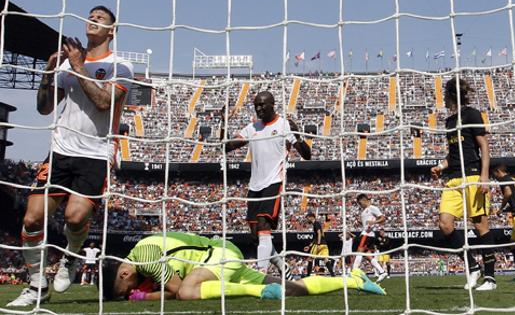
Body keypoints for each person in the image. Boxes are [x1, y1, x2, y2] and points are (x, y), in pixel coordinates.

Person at [7, 6, 134, 307]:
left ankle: (71, 257)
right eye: (90, 17)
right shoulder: (66, 64)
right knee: (32, 218)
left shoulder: (121, 66)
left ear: (111, 31)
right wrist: (48, 74)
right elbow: (44, 108)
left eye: (100, 19)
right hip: (62, 149)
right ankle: (37, 284)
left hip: (95, 153)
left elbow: (105, 103)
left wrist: (79, 66)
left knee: (75, 218)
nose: (93, 20)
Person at [102, 232, 385, 301]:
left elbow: (175, 291)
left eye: (125, 289)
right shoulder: (141, 252)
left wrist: (142, 296)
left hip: (220, 255)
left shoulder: (147, 255)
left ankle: (259, 292)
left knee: (188, 292)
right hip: (217, 263)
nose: (131, 291)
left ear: (125, 273)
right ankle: (354, 280)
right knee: (294, 290)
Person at [223, 91, 311, 280]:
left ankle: (260, 275)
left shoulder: (284, 125)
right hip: (255, 185)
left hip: (274, 182)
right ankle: (282, 265)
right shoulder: (252, 127)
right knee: (256, 235)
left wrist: (298, 135)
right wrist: (223, 124)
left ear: (272, 105)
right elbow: (227, 147)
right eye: (256, 105)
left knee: (264, 225)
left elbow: (307, 155)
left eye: (262, 105)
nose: (259, 108)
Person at [430, 77, 496, 291]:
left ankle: (490, 279)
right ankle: (473, 267)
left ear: (449, 95)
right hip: (453, 179)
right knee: (445, 224)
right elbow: (453, 154)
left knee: (480, 225)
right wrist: (441, 166)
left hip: (474, 176)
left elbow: (484, 146)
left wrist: (484, 175)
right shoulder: (449, 122)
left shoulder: (472, 114)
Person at [352, 194, 387, 283]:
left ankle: (354, 273)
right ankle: (382, 272)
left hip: (367, 234)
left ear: (364, 200)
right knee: (367, 256)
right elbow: (365, 223)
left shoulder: (372, 208)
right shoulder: (364, 211)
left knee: (359, 252)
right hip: (368, 234)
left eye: (360, 203)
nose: (359, 205)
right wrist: (358, 223)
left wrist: (374, 222)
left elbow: (383, 218)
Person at [303, 213, 335, 277]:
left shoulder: (316, 223)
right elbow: (316, 237)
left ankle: (308, 275)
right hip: (324, 244)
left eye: (307, 218)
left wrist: (318, 244)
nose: (307, 220)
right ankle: (333, 275)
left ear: (311, 217)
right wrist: (309, 246)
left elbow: (319, 233)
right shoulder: (316, 224)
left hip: (319, 244)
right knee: (326, 259)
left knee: (310, 259)